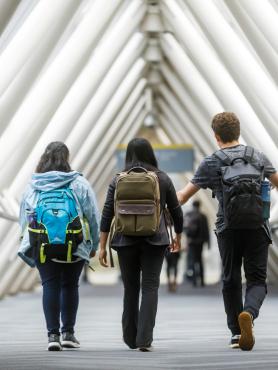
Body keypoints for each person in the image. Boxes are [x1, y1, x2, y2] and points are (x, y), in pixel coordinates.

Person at [177, 112, 278, 351]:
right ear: (238, 131)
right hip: (257, 226)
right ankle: (249, 314)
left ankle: (235, 332)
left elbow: (183, 195)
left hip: (228, 228)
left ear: (216, 136)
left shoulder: (212, 162)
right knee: (256, 280)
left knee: (231, 278)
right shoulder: (258, 157)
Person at [99, 138, 183, 352]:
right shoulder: (162, 178)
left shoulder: (118, 179)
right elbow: (176, 210)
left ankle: (130, 337)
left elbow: (107, 212)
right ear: (151, 154)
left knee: (130, 288)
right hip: (155, 239)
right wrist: (178, 236)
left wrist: (102, 246)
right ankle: (145, 339)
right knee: (150, 286)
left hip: (124, 240)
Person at [18, 142, 100, 351]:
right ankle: (68, 334)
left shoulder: (33, 184)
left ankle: (52, 335)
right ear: (66, 158)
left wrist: (27, 241)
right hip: (74, 243)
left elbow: (24, 217)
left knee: (50, 284)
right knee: (70, 285)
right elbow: (92, 216)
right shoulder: (78, 183)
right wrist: (95, 244)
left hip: (42, 244)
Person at [183, 200, 210, 287]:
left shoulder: (188, 214)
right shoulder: (203, 216)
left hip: (191, 241)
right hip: (200, 242)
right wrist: (208, 242)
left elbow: (184, 228)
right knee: (200, 260)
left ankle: (194, 281)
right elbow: (206, 230)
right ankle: (202, 281)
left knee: (193, 260)